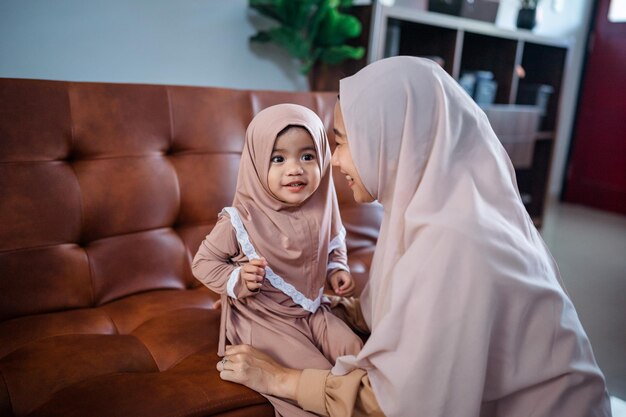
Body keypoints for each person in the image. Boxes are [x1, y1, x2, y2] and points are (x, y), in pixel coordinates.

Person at [215, 57, 612, 417]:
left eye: (341, 141)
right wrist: (318, 307)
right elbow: (410, 316)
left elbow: (399, 405)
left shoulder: (457, 244)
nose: (333, 161)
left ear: (390, 138)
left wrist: (280, 378)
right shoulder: (438, 209)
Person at [192, 103, 364, 417]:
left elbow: (333, 240)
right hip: (267, 318)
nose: (295, 168)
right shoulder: (240, 220)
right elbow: (203, 263)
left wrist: (338, 267)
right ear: (257, 163)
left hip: (314, 309)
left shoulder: (321, 204)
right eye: (278, 158)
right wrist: (239, 278)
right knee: (319, 378)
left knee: (362, 359)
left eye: (307, 156)